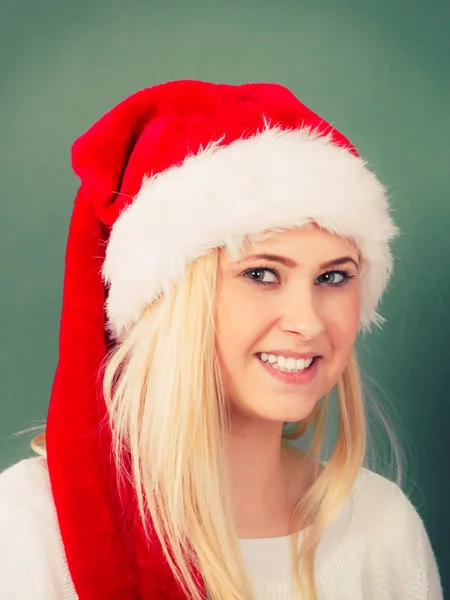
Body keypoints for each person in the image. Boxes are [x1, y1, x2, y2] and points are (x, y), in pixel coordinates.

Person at [0, 80, 443, 600]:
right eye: (261, 274)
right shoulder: (29, 527)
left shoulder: (382, 529)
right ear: (169, 301)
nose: (308, 322)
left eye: (333, 277)